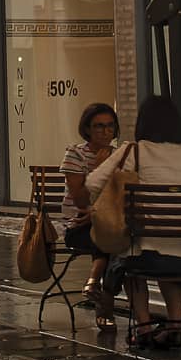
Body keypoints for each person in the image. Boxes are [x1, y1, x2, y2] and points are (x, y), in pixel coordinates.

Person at [87, 95, 181, 350]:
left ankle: (144, 328)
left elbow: (92, 183)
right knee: (171, 249)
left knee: (130, 251)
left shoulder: (135, 150)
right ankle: (175, 325)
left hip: (148, 256)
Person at [61, 102, 120, 330]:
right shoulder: (75, 153)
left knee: (115, 236)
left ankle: (94, 282)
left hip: (110, 224)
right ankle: (105, 305)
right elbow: (80, 201)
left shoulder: (120, 155)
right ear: (87, 129)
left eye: (110, 126)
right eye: (99, 127)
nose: (106, 132)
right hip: (79, 225)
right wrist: (98, 168)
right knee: (109, 239)